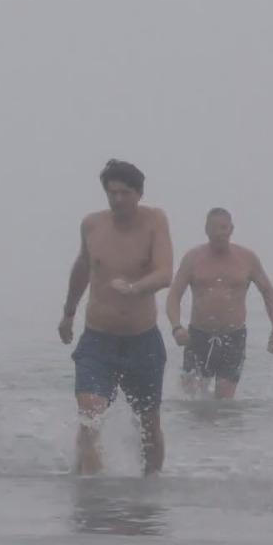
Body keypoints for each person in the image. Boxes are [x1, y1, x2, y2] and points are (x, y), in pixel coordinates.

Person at [57, 160, 174, 475]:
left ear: (138, 193)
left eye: (125, 193)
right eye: (112, 193)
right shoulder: (92, 225)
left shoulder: (154, 222)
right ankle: (94, 500)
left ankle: (150, 493)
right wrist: (68, 312)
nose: (118, 199)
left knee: (149, 424)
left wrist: (135, 288)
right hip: (98, 340)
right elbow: (83, 267)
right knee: (89, 417)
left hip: (142, 341)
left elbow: (165, 274)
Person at [165, 208, 273, 399]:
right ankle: (195, 430)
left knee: (224, 404)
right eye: (214, 228)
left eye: (223, 227)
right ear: (206, 229)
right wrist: (176, 328)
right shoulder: (193, 258)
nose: (219, 232)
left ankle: (223, 431)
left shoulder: (247, 259)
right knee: (190, 401)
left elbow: (268, 293)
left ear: (231, 229)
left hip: (233, 338)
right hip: (198, 336)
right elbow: (174, 296)